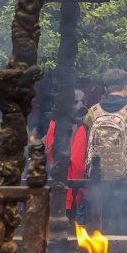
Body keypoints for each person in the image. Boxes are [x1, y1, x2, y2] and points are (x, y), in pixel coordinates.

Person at [84, 69, 127, 234]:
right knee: (125, 222)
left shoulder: (92, 113)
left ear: (105, 88)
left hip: (99, 178)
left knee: (102, 222)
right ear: (126, 86)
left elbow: (89, 144)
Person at [45, 89, 89, 223]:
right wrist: (80, 191)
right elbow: (77, 165)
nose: (79, 106)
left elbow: (49, 154)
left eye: (83, 102)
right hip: (69, 192)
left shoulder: (52, 125)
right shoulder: (79, 130)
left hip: (52, 186)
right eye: (75, 102)